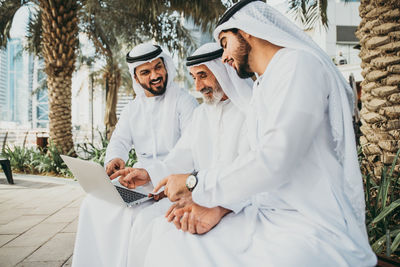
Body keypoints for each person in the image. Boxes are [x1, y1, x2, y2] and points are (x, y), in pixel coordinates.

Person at [148, 1, 377, 266]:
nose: (224, 57)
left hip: (308, 224)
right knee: (170, 237)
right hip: (266, 215)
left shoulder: (300, 66)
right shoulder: (264, 85)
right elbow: (254, 169)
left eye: (224, 43)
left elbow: (273, 160)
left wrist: (195, 183)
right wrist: (216, 207)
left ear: (247, 31)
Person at [110, 42, 253, 266]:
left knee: (171, 242)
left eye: (203, 75)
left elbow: (255, 175)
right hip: (201, 197)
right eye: (194, 77)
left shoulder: (250, 111)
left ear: (223, 71)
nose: (198, 86)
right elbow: (180, 158)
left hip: (238, 207)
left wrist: (215, 205)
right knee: (150, 228)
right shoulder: (203, 115)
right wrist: (147, 174)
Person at [71, 43, 198, 267]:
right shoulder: (132, 109)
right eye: (146, 72)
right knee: (93, 204)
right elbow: (119, 140)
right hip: (139, 182)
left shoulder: (184, 101)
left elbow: (192, 150)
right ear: (136, 77)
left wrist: (153, 174)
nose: (155, 75)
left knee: (132, 217)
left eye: (158, 67)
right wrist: (114, 160)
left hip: (173, 180)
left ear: (166, 67)